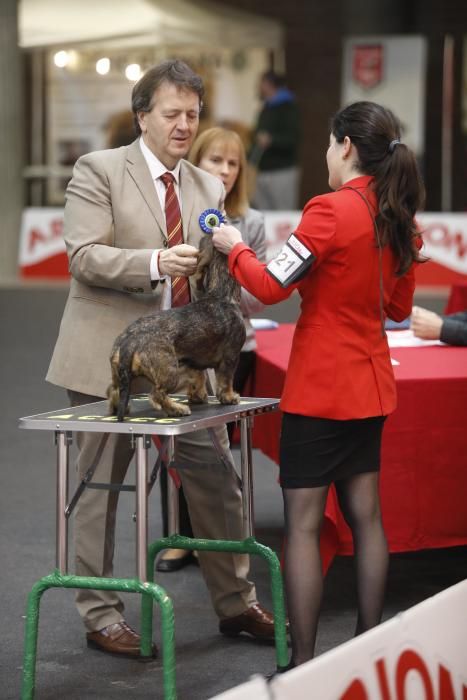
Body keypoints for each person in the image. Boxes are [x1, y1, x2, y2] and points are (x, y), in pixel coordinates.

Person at [46, 59, 277, 659]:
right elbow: (83, 256)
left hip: (186, 369)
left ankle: (237, 602)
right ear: (142, 114)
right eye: (171, 113)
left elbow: (217, 275)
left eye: (192, 115)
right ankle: (100, 614)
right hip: (110, 360)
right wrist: (153, 262)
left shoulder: (206, 185)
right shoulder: (97, 170)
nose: (182, 125)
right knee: (99, 490)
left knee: (217, 482)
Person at [212, 100, 425, 668]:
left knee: (302, 527)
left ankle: (303, 665)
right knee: (368, 518)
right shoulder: (398, 216)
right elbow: (398, 306)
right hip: (372, 388)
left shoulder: (328, 211)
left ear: (346, 147)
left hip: (321, 390)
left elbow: (271, 284)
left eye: (331, 146)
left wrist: (232, 245)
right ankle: (368, 649)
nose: (327, 156)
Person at [156, 126, 266, 572]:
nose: (223, 170)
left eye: (232, 163)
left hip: (233, 347)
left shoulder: (250, 222)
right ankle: (180, 535)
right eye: (214, 160)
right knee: (174, 445)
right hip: (182, 347)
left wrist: (234, 258)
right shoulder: (176, 215)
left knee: (220, 454)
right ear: (194, 164)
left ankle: (222, 543)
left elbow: (260, 295)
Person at [250, 70, 300, 211]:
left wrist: (271, 140)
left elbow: (292, 139)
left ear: (269, 84)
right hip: (262, 171)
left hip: (282, 171)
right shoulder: (266, 107)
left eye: (261, 83)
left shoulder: (289, 107)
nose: (258, 86)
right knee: (262, 212)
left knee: (283, 214)